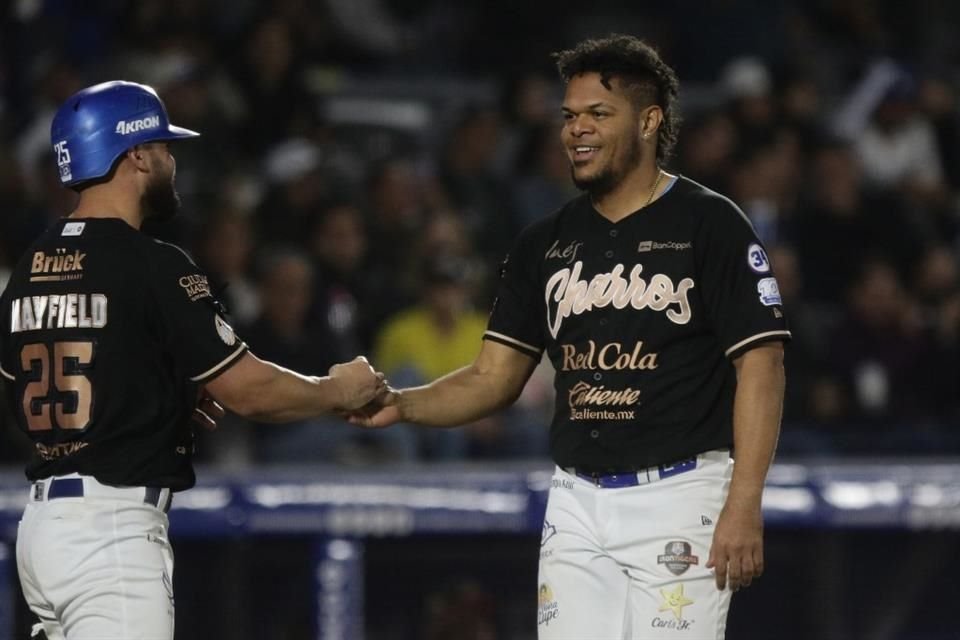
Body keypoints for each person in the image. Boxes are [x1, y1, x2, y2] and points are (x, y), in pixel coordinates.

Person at [350, 35, 790, 639]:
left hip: (682, 494)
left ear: (649, 121)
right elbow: (492, 378)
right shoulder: (543, 242)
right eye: (569, 115)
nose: (576, 130)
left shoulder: (708, 222)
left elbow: (761, 366)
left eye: (597, 114)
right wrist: (402, 405)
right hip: (576, 503)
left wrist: (744, 503)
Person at [0, 80, 384, 640]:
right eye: (162, 147)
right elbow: (248, 390)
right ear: (134, 154)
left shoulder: (31, 266)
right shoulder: (152, 263)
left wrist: (152, 399)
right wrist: (336, 390)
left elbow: (25, 384)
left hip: (42, 531)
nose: (171, 161)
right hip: (113, 531)